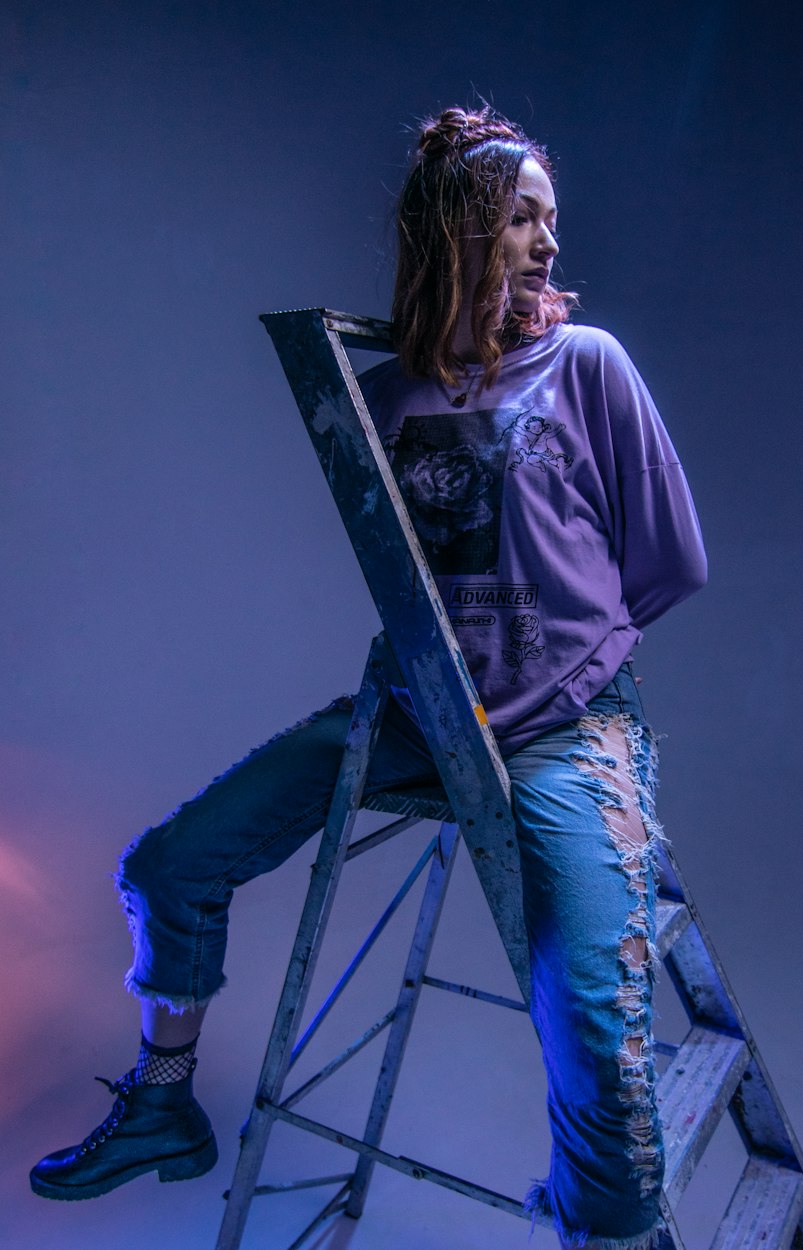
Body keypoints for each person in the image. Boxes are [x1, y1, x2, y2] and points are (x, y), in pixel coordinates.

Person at [30, 105, 707, 1250]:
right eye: (521, 219)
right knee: (169, 863)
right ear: (458, 231)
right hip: (416, 717)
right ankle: (162, 1104)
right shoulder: (386, 392)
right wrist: (455, 694)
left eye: (552, 220)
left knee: (595, 1029)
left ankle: (607, 1229)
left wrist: (547, 678)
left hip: (562, 730)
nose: (547, 244)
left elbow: (670, 562)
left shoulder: (587, 364)